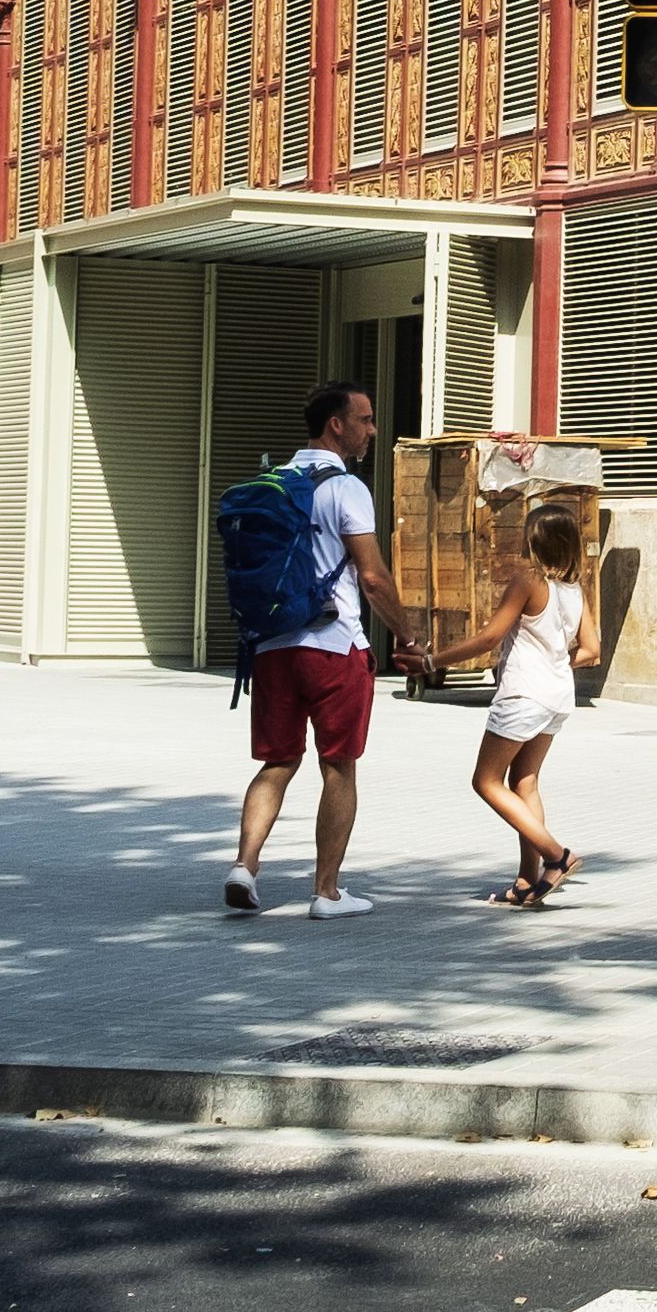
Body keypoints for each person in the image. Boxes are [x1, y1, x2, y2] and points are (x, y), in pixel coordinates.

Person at [226, 381, 398, 920]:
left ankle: (244, 866)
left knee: (277, 762)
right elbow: (372, 577)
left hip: (274, 645)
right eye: (365, 420)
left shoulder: (275, 479)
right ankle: (326, 893)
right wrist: (410, 635)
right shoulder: (346, 488)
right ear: (336, 425)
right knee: (338, 767)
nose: (372, 429)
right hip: (333, 644)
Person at [464, 502, 605, 909]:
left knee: (485, 781)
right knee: (525, 782)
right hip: (558, 695)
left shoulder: (527, 581)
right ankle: (526, 881)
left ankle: (556, 856)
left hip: (523, 694)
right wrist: (557, 661)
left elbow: (490, 638)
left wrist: (433, 661)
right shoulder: (576, 590)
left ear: (533, 541)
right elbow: (592, 650)